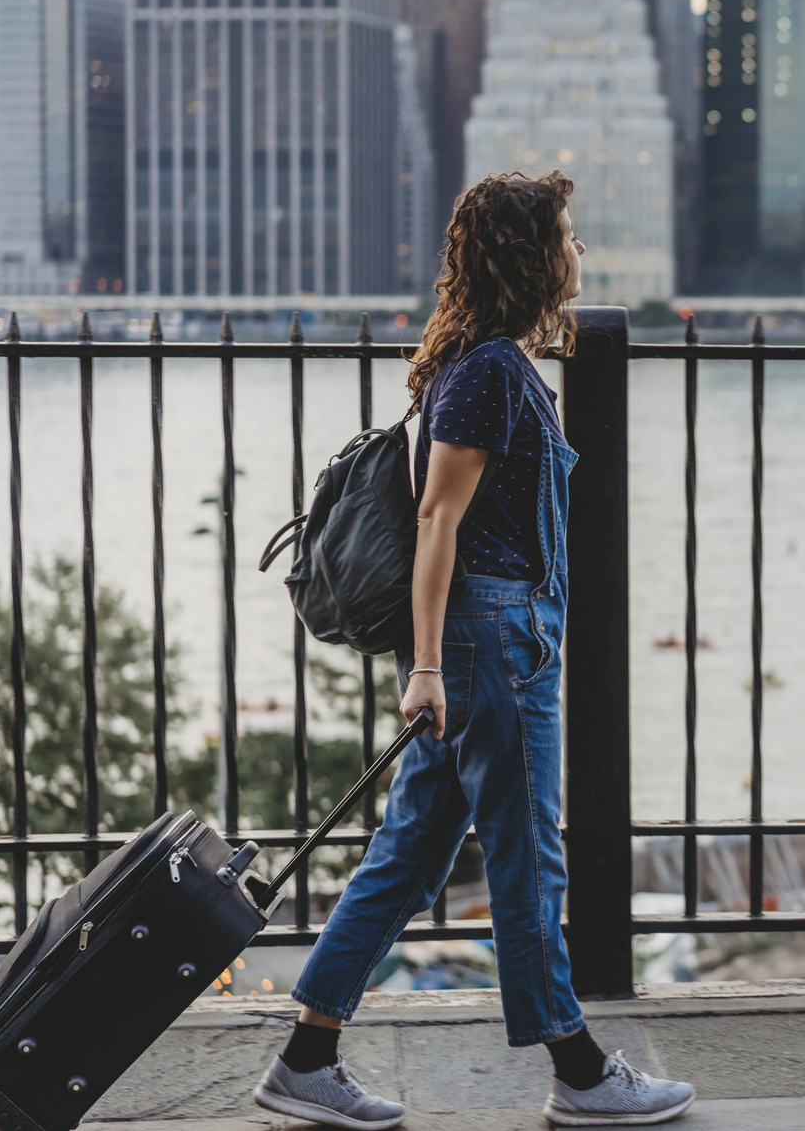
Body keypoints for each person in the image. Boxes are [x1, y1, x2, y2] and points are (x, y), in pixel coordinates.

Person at [253, 171, 695, 1127]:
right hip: (491, 642)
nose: (580, 253)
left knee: (409, 857)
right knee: (529, 858)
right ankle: (580, 1073)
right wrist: (425, 670)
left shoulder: (481, 363)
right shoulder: (490, 370)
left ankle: (306, 1058)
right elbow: (436, 519)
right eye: (568, 238)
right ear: (531, 256)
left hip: (486, 639)